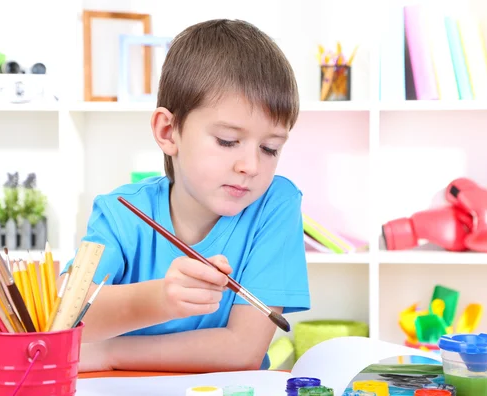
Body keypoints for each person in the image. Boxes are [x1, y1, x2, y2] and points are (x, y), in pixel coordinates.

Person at [64, 18, 310, 373]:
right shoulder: (122, 211)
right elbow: (65, 312)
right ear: (168, 132)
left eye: (270, 148)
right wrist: (159, 299)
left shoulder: (275, 203)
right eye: (227, 141)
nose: (251, 166)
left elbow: (243, 350)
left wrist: (108, 353)